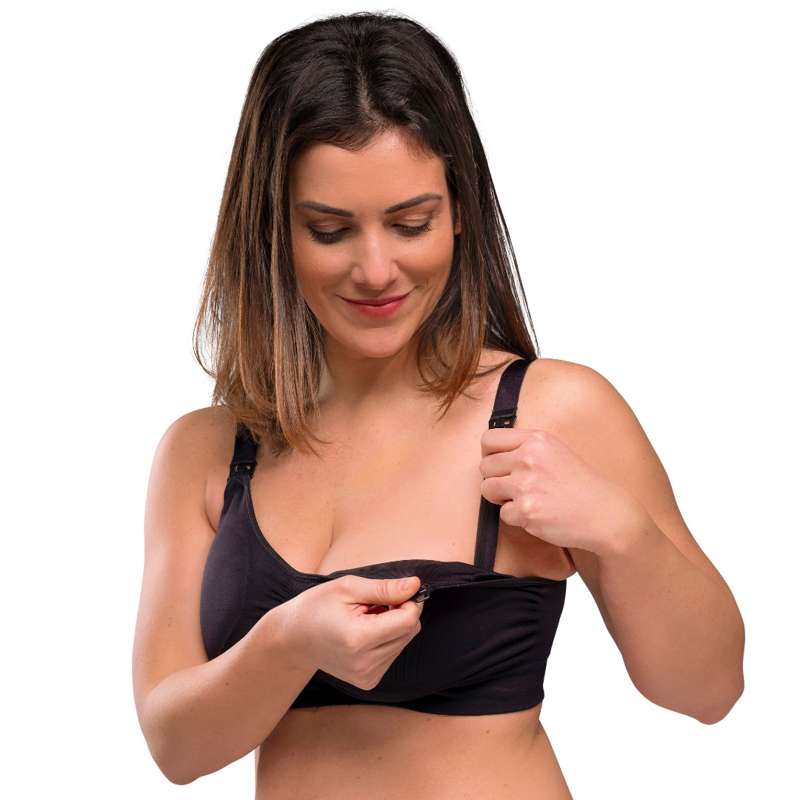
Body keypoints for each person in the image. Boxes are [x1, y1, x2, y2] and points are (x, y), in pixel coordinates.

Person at [131, 11, 745, 797]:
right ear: (272, 230)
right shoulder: (208, 452)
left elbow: (709, 691)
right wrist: (287, 643)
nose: (375, 268)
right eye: (329, 230)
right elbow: (176, 746)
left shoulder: (550, 411)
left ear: (458, 213)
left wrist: (621, 533)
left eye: (410, 223)